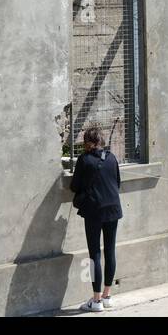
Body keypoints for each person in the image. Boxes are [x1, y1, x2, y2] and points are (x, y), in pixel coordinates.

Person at [69, 126, 123, 312]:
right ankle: (107, 296)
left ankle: (96, 300)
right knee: (110, 251)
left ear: (87, 142)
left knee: (95, 255)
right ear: (101, 141)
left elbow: (74, 186)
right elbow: (117, 182)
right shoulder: (112, 157)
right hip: (113, 208)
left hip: (94, 211)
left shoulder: (84, 160)